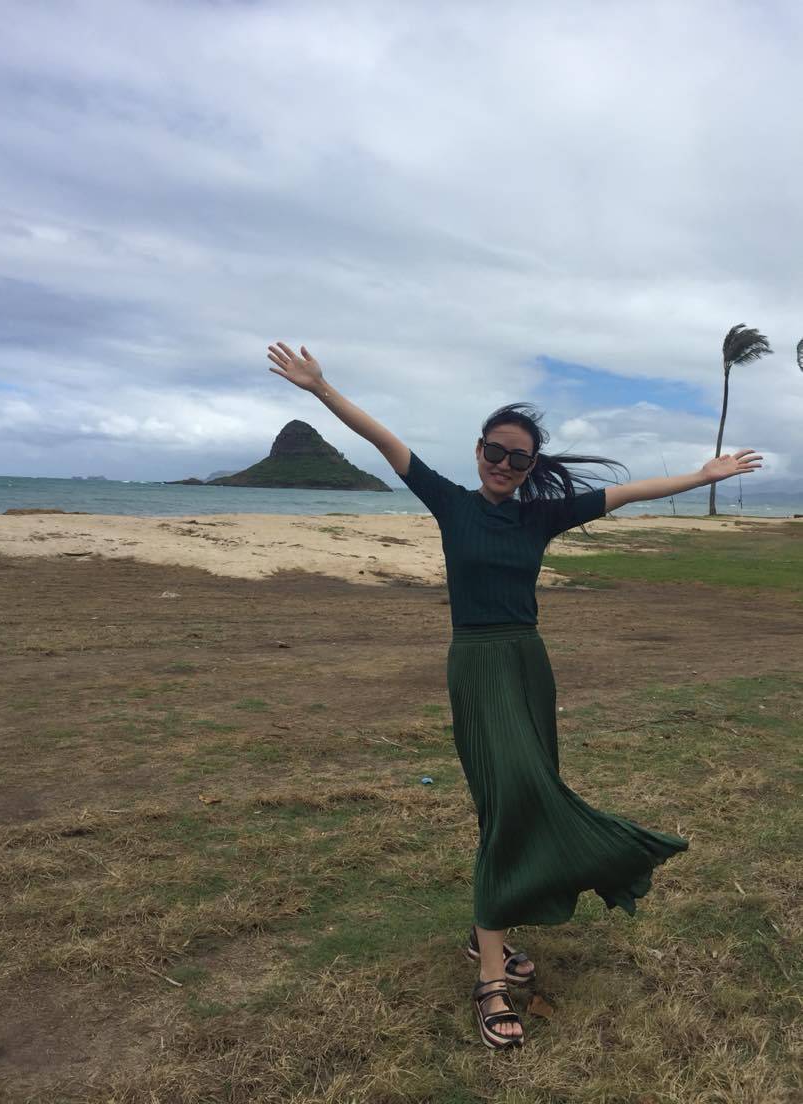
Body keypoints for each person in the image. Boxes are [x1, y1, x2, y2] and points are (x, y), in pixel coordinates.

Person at [267, 340, 763, 1050]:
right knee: (509, 797)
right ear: (479, 451)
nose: (503, 465)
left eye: (518, 459)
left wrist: (702, 474)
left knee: (521, 795)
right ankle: (492, 976)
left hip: (528, 664)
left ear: (532, 467)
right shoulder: (449, 501)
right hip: (476, 666)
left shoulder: (538, 516)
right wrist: (321, 388)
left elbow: (628, 494)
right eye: (495, 452)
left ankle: (486, 933)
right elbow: (382, 438)